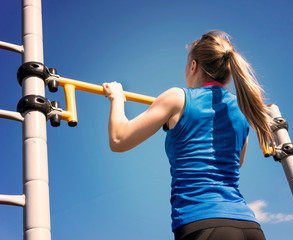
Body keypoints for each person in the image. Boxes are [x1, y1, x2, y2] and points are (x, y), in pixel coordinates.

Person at [102, 30, 273, 240]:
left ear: (193, 66)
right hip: (250, 227)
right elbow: (236, 162)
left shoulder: (178, 97)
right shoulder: (241, 111)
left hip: (203, 225)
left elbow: (119, 140)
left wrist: (117, 98)